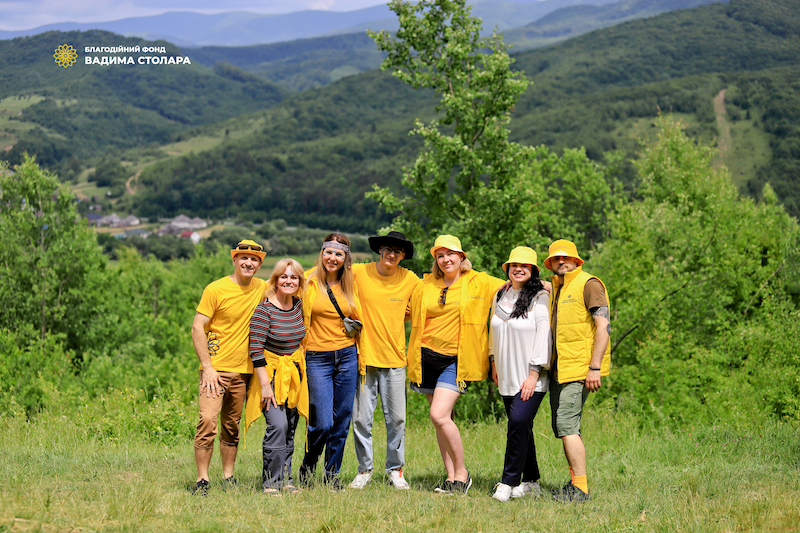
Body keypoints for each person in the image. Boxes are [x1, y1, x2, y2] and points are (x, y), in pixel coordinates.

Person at [407, 234, 505, 495]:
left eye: (450, 254)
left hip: (456, 360)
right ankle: (451, 478)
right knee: (441, 420)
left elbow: (514, 284)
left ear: (462, 257)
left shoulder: (479, 281)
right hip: (425, 356)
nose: (445, 259)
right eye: (440, 255)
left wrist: (548, 285)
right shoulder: (426, 283)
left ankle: (462, 473)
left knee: (439, 414)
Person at [190, 239, 267, 496]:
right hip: (215, 371)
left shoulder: (263, 288)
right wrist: (207, 367)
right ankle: (202, 480)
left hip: (244, 372)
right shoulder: (216, 289)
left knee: (231, 425)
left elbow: (293, 284)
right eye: (243, 258)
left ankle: (228, 476)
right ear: (234, 260)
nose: (248, 262)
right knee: (208, 421)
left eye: (254, 259)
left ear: (259, 264)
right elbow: (197, 327)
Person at [349, 231, 419, 490]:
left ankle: (396, 470)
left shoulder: (410, 279)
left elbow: (412, 310)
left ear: (403, 256)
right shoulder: (358, 271)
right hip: (364, 359)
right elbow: (324, 272)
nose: (392, 255)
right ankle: (364, 469)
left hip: (395, 360)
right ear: (380, 250)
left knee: (397, 419)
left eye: (398, 252)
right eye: (388, 249)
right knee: (360, 420)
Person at [544, 239, 611, 502]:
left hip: (580, 370)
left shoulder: (589, 284)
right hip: (559, 369)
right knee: (563, 425)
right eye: (556, 259)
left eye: (566, 258)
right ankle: (574, 482)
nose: (561, 262)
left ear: (576, 261)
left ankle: (581, 489)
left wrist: (594, 367)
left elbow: (603, 326)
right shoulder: (559, 288)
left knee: (566, 424)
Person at [299, 233, 363, 491]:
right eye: (329, 252)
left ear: (346, 258)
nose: (332, 258)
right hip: (316, 358)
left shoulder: (353, 282)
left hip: (348, 356)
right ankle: (308, 464)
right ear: (322, 253)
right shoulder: (306, 281)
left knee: (342, 419)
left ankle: (331, 474)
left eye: (339, 254)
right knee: (322, 421)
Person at [488, 246, 551, 502]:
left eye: (525, 265)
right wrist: (493, 363)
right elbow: (492, 331)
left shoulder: (540, 296)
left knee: (517, 423)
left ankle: (508, 481)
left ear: (534, 270)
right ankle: (532, 482)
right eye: (514, 264)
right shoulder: (500, 294)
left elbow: (543, 335)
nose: (519, 268)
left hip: (531, 377)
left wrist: (534, 373)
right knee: (522, 427)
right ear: (508, 268)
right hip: (505, 374)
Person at [247, 258, 307, 495]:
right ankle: (271, 482)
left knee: (291, 426)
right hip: (269, 374)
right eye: (284, 276)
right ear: (275, 280)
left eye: (294, 277)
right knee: (278, 425)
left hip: (293, 373)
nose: (289, 281)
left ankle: (286, 479)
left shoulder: (298, 305)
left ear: (299, 281)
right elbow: (255, 350)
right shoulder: (264, 310)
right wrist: (265, 386)